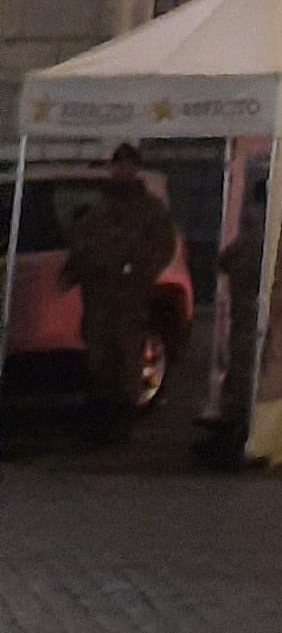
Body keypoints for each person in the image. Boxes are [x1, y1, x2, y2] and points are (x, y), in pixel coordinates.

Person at [61, 142, 179, 431]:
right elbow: (82, 245)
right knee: (100, 356)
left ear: (136, 168)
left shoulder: (149, 209)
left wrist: (139, 272)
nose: (122, 170)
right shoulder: (99, 208)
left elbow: (164, 246)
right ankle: (102, 415)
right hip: (99, 298)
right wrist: (77, 270)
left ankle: (123, 417)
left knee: (128, 356)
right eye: (118, 165)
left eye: (128, 165)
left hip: (130, 298)